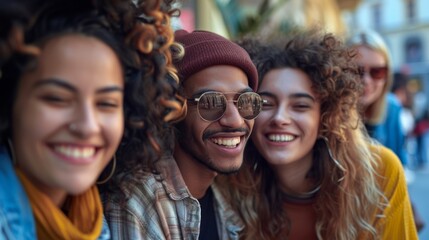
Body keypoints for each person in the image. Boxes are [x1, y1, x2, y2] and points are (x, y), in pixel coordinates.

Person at [0, 0, 182, 239]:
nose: (87, 126)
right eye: (57, 99)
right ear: (9, 103)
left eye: (106, 103)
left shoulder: (91, 222)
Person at [217, 29, 418, 239]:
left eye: (300, 105)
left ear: (325, 118)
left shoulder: (379, 172)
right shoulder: (232, 186)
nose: (280, 118)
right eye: (266, 103)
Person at [102, 29, 263, 239]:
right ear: (172, 111)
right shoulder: (138, 203)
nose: (235, 120)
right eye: (210, 102)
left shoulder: (231, 194)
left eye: (246, 101)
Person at [348, 30, 408, 167]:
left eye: (377, 72)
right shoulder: (328, 115)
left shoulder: (392, 107)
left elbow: (399, 167)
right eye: (356, 70)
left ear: (387, 76)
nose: (366, 80)